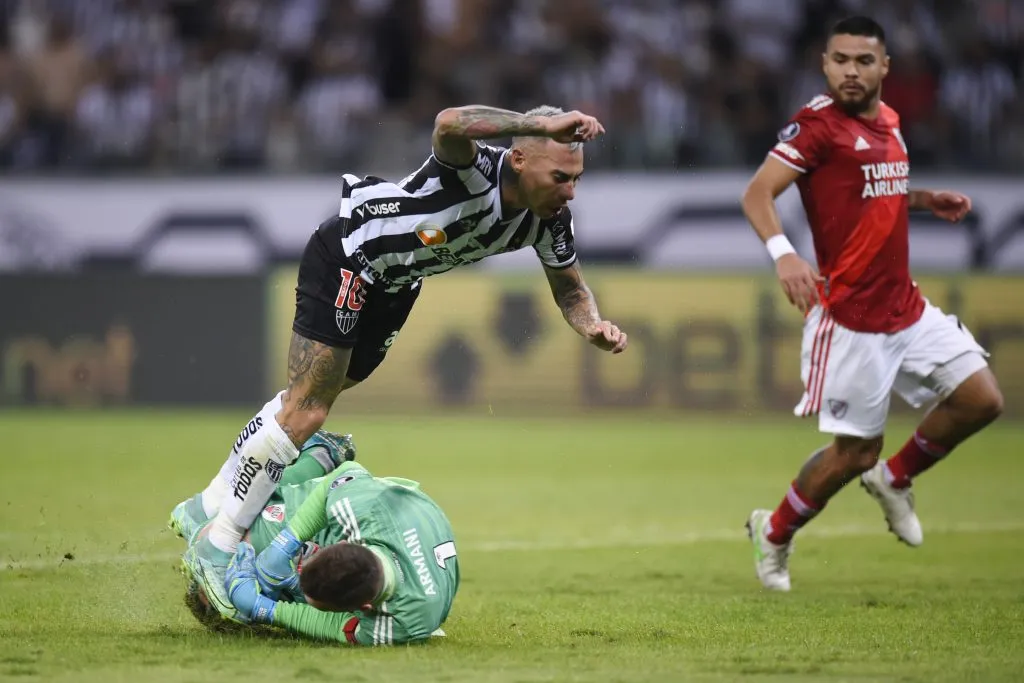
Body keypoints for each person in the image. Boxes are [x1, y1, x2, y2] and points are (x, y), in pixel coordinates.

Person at [181, 104, 629, 615]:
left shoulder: (549, 222)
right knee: (307, 409)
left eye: (576, 179)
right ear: (521, 159)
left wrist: (591, 324)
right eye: (560, 178)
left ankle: (209, 502)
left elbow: (571, 290)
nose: (570, 192)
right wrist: (538, 124)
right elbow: (448, 122)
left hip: (396, 285)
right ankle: (217, 546)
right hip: (350, 254)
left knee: (317, 396)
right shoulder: (475, 169)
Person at [740, 16, 1004, 592]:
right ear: (824, 64)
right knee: (854, 453)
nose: (850, 71)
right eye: (840, 60)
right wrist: (784, 255)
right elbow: (757, 193)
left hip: (905, 307)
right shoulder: (815, 127)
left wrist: (924, 199)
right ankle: (773, 532)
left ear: (885, 66)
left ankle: (896, 479)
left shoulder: (888, 120)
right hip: (852, 319)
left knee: (981, 400)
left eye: (863, 60)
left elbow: (871, 190)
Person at [173, 431, 458, 644]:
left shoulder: (401, 624)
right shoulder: (363, 511)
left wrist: (264, 609)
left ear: (363, 608)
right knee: (223, 553)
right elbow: (347, 474)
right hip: (388, 506)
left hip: (406, 528)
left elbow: (334, 628)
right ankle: (317, 457)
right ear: (345, 543)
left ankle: (224, 512)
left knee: (226, 607)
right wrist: (283, 547)